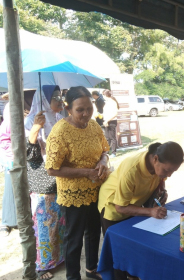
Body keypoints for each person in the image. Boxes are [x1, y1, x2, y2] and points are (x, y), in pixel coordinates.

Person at [45, 86, 110, 280]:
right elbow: (51, 169)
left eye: (89, 108)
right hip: (73, 194)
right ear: (68, 109)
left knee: (93, 232)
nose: (86, 114)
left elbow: (104, 150)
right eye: (80, 110)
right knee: (74, 239)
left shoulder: (93, 125)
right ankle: (73, 277)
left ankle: (91, 269)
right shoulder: (60, 132)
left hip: (96, 188)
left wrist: (103, 162)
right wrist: (86, 172)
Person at [98, 141, 184, 280]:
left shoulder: (158, 163)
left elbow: (158, 183)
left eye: (173, 171)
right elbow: (120, 207)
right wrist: (150, 211)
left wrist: (160, 192)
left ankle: (134, 276)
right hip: (113, 207)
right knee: (118, 256)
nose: (169, 174)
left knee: (134, 249)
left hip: (133, 204)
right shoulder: (132, 169)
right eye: (167, 170)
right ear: (155, 159)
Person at [24, 85, 66, 280]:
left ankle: (59, 258)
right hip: (43, 184)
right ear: (43, 101)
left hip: (61, 181)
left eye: (60, 96)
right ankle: (43, 265)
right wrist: (36, 128)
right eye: (55, 97)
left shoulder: (60, 120)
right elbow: (29, 156)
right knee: (45, 225)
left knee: (60, 223)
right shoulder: (30, 123)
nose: (60, 100)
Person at [0, 102, 18, 237]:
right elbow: (5, 137)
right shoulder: (11, 107)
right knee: (11, 189)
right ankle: (7, 221)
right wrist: (12, 155)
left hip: (24, 156)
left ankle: (19, 218)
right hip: (12, 156)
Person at [103, 90, 119, 158]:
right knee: (107, 137)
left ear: (105, 95)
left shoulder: (112, 102)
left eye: (103, 95)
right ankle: (107, 152)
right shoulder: (107, 102)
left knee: (112, 138)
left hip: (111, 121)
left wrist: (107, 120)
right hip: (106, 121)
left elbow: (115, 114)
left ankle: (113, 153)